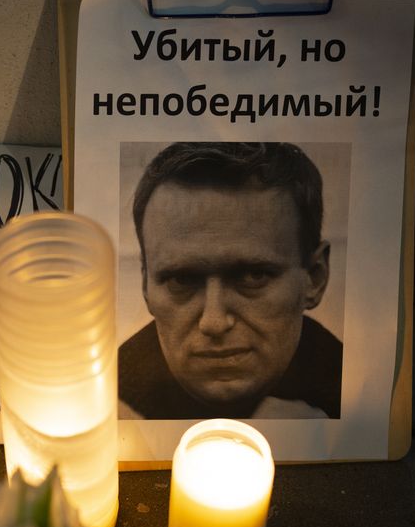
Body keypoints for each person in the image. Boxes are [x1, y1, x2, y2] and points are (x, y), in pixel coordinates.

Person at [118, 142, 342, 420]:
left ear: (315, 277)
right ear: (145, 286)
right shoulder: (101, 401)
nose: (214, 322)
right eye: (182, 279)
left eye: (253, 276)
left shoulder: (361, 392)